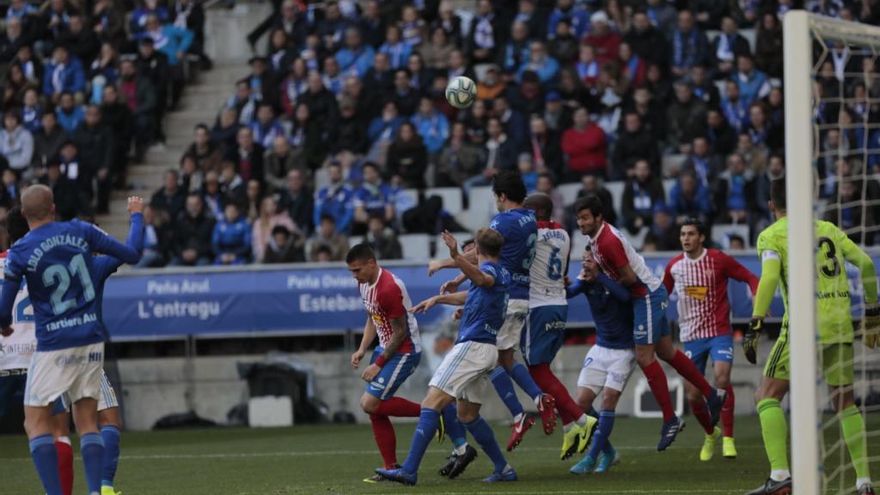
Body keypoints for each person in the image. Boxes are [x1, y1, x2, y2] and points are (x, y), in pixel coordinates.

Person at [0, 187, 142, 495]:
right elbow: (133, 253)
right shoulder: (82, 234)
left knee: (38, 425)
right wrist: (137, 216)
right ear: (53, 207)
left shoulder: (21, 252)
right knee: (90, 422)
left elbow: (4, 306)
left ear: (25, 215)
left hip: (49, 345)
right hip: (89, 340)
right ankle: (99, 488)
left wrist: (4, 325)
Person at [743, 179, 878, 495]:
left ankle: (780, 477)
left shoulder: (772, 235)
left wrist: (756, 323)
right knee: (844, 402)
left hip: (803, 327)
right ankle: (864, 482)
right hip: (841, 326)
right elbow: (867, 264)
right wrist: (873, 316)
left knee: (766, 395)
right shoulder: (827, 228)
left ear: (771, 205)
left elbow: (771, 276)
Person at [573, 194, 725, 451]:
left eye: (585, 218)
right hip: (647, 295)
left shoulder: (607, 241)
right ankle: (711, 394)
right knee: (666, 352)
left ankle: (670, 419)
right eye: (578, 218)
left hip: (645, 296)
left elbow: (630, 279)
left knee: (645, 357)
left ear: (599, 217)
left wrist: (601, 278)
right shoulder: (597, 239)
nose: (581, 223)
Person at [377, 229, 515, 485]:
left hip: (473, 347)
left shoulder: (492, 272)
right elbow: (473, 293)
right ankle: (503, 468)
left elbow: (483, 279)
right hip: (486, 350)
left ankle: (408, 470)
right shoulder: (503, 271)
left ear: (478, 251)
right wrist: (439, 298)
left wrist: (454, 255)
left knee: (431, 402)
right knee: (467, 416)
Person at [430, 171, 555, 451]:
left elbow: (483, 253)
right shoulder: (530, 219)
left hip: (504, 296)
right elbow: (494, 257)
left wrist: (446, 262)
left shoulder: (503, 220)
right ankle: (531, 403)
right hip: (522, 296)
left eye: (495, 197)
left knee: (494, 358)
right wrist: (462, 279)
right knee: (505, 358)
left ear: (501, 196)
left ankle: (525, 409)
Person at [347, 243, 456, 482]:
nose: (354, 276)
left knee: (369, 403)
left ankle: (431, 411)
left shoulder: (388, 287)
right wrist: (362, 348)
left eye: (357, 270)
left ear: (371, 263)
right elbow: (372, 316)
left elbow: (401, 332)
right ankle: (390, 467)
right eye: (352, 272)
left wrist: (378, 363)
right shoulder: (365, 284)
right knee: (375, 411)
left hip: (404, 350)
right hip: (384, 348)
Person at [662, 219, 758, 461]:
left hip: (719, 332)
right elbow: (661, 294)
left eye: (691, 234)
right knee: (693, 394)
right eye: (683, 234)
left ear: (701, 237)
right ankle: (709, 434)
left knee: (722, 378)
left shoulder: (718, 259)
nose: (685, 238)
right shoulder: (674, 266)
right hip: (691, 337)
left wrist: (758, 294)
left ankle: (728, 438)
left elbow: (749, 276)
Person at [521, 193, 596, 460]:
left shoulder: (532, 233)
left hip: (538, 305)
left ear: (534, 212)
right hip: (558, 303)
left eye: (526, 211)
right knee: (545, 371)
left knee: (535, 370)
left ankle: (581, 419)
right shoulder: (563, 233)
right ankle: (570, 426)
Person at [566, 246, 632, 475]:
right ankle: (609, 452)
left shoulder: (616, 277)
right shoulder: (585, 280)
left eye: (590, 259)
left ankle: (591, 457)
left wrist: (600, 276)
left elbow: (626, 296)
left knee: (608, 400)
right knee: (580, 404)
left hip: (623, 351)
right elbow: (569, 293)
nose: (585, 263)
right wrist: (561, 284)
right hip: (601, 348)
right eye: (584, 259)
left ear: (601, 261)